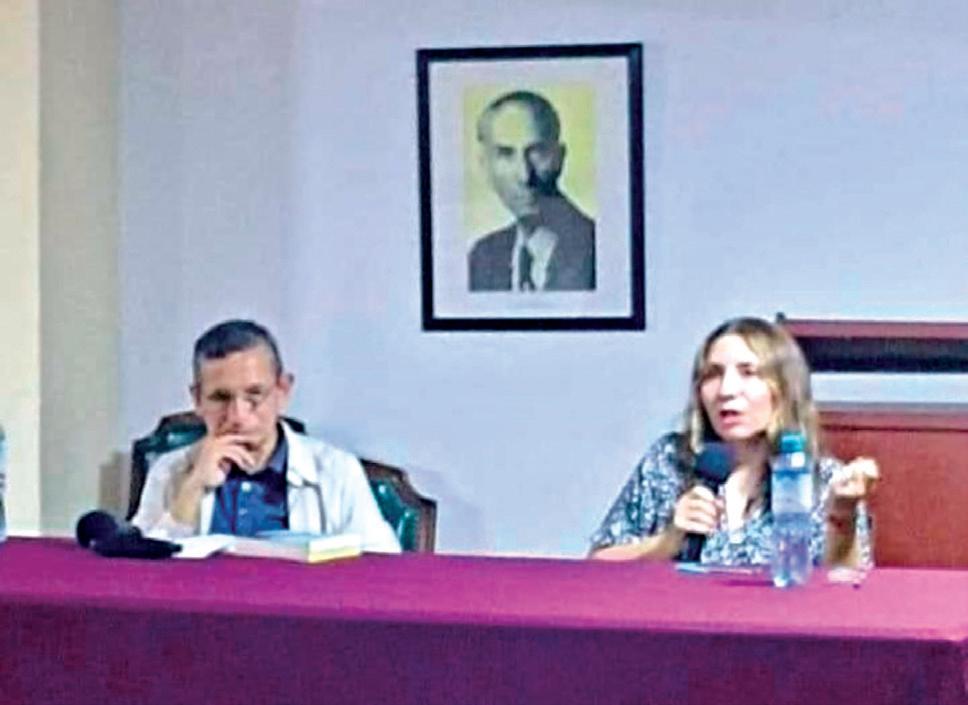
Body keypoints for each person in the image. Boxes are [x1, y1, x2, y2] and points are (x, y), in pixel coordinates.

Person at [589, 317, 878, 567]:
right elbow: (597, 566)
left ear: (784, 388)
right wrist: (667, 542)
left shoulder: (822, 479)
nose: (726, 390)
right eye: (713, 375)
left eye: (748, 373)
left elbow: (848, 583)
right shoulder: (670, 460)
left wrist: (844, 517)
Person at [132, 319, 400, 553]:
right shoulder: (169, 470)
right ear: (197, 400)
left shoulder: (337, 471)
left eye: (254, 395)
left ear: (282, 391)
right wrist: (193, 488)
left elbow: (380, 569)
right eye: (220, 398)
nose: (237, 416)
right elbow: (138, 574)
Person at [469, 90, 595, 292]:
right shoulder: (483, 257)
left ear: (559, 158)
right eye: (505, 154)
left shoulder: (598, 249)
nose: (525, 175)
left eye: (537, 152)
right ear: (485, 165)